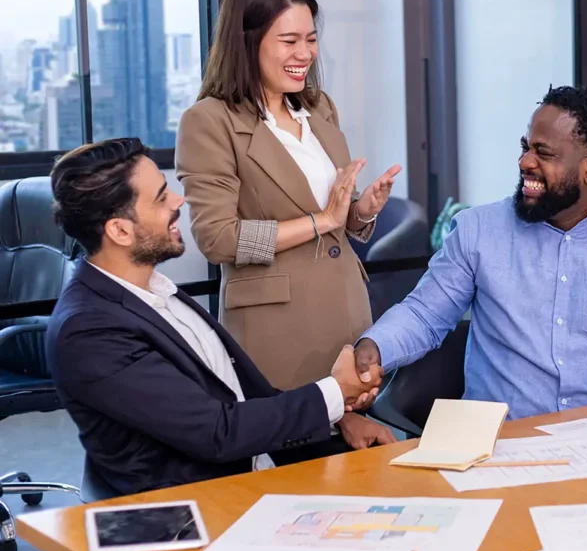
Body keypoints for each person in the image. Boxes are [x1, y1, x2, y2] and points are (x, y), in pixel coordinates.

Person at [355, 86, 587, 441]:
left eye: (544, 153)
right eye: (525, 147)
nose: (526, 162)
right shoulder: (477, 230)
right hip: (493, 448)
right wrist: (375, 348)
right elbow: (424, 315)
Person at [46, 139, 396, 497]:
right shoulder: (89, 332)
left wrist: (340, 416)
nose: (179, 201)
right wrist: (335, 392)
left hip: (258, 475)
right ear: (120, 231)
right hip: (191, 515)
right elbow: (217, 432)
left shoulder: (155, 291)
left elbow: (240, 395)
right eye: (162, 197)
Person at [174, 0, 401, 452]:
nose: (306, 53)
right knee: (303, 483)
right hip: (279, 334)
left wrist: (361, 210)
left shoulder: (318, 109)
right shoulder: (210, 121)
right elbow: (218, 238)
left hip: (347, 320)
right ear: (248, 42)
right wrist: (324, 220)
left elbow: (340, 223)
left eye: (312, 39)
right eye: (290, 40)